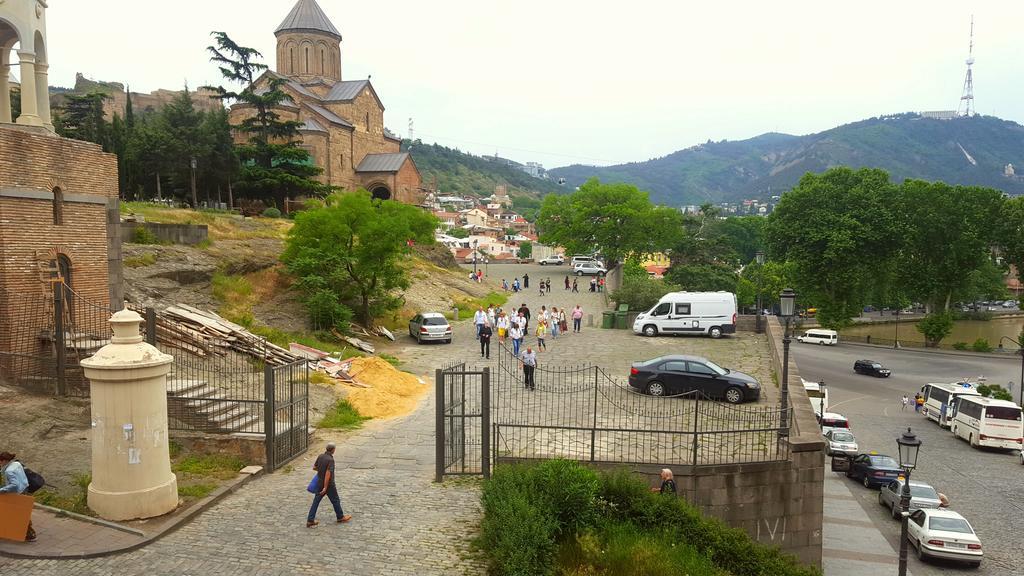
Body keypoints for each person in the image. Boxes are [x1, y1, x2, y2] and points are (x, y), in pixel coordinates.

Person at [307, 443, 351, 527]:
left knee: (316, 502)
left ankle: (310, 520)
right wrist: (325, 487)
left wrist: (321, 471)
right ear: (333, 450)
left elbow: (314, 467)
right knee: (335, 500)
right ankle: (340, 517)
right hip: (329, 485)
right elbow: (328, 474)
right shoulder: (330, 460)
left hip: (319, 483)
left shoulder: (320, 456)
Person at [0, 451, 36, 541]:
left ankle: (30, 534)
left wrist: (2, 490)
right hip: (24, 488)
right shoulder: (16, 463)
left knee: (19, 514)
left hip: (17, 494)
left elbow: (14, 485)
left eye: (0, 461)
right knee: (23, 513)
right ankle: (27, 533)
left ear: (4, 460)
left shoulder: (9, 471)